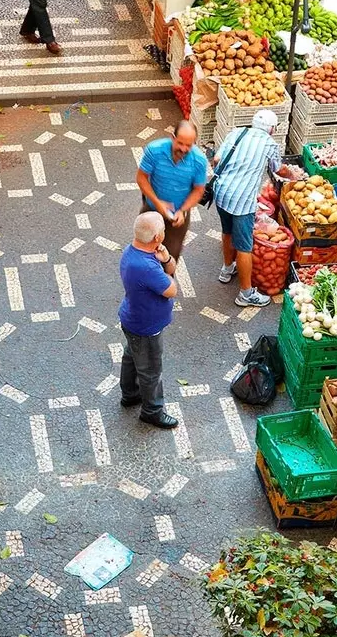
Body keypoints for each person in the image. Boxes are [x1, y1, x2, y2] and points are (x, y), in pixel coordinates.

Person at [209, 108, 282, 308]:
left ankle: (226, 270)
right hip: (242, 201)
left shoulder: (237, 132)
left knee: (227, 231)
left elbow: (216, 160)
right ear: (272, 129)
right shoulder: (270, 143)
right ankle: (246, 294)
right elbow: (277, 169)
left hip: (222, 192)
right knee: (244, 247)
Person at [119, 211, 179, 430]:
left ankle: (130, 394)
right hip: (146, 327)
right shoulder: (147, 267)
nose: (164, 232)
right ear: (157, 237)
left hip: (132, 319)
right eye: (162, 229)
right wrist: (166, 268)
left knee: (132, 357)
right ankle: (152, 410)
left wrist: (166, 259)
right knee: (151, 370)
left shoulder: (131, 252)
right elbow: (172, 290)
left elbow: (169, 268)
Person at [136, 120, 209, 260]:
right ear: (172, 137)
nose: (184, 149)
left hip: (177, 217)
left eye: (189, 145)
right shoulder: (154, 150)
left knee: (169, 257)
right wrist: (158, 204)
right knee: (143, 252)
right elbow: (141, 178)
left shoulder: (199, 160)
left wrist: (183, 210)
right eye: (180, 143)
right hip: (151, 209)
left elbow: (198, 190)